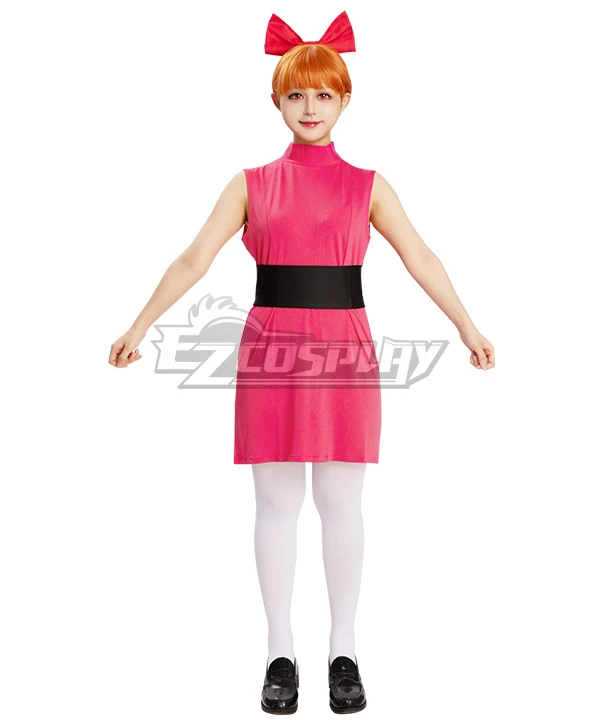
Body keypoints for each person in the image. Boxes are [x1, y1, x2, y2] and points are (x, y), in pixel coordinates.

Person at [109, 10, 495, 715]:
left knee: (342, 502)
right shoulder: (250, 183)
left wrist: (466, 323)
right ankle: (279, 651)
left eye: (323, 94)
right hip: (273, 354)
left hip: (345, 351)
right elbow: (194, 259)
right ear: (276, 102)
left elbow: (420, 256)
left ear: (345, 100)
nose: (309, 107)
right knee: (276, 503)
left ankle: (344, 649)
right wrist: (140, 324)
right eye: (296, 95)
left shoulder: (369, 185)